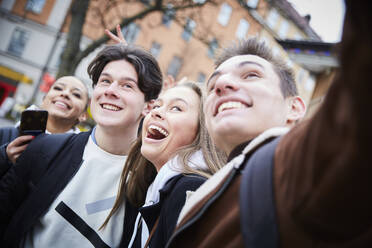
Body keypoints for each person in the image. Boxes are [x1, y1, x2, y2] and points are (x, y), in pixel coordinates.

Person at [166, 1, 372, 247]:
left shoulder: (302, 164)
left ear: (294, 107)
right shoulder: (204, 191)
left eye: (251, 75)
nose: (222, 86)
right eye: (213, 85)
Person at [0, 44, 162, 248]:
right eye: (105, 81)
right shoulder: (45, 149)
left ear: (149, 106)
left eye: (126, 85)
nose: (110, 91)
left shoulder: (152, 183)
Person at [101, 82, 225, 248]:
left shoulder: (191, 190)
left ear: (202, 130)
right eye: (157, 105)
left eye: (176, 108)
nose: (156, 112)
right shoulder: (152, 187)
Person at [0, 76, 89, 176]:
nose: (65, 94)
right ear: (43, 100)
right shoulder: (4, 134)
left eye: (76, 94)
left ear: (83, 115)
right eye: (58, 88)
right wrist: (4, 157)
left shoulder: (81, 158)